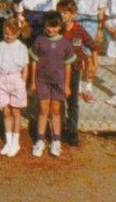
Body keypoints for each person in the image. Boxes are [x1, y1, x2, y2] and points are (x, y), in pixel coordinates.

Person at [29, 11, 76, 158]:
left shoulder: (65, 43)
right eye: (48, 26)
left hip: (58, 83)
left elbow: (68, 66)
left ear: (59, 26)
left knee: (55, 111)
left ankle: (56, 141)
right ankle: (40, 140)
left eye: (54, 27)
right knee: (43, 110)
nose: (51, 29)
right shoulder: (39, 41)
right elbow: (34, 62)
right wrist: (32, 82)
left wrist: (67, 85)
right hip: (42, 82)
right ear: (44, 26)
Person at [63, 0, 105, 103]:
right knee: (76, 54)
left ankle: (88, 87)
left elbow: (101, 9)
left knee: (88, 56)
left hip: (91, 21)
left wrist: (100, 29)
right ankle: (77, 88)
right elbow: (64, 6)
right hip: (76, 20)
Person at [57, 0, 97, 146]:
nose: (62, 15)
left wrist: (93, 63)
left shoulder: (79, 30)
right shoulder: (56, 29)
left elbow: (93, 46)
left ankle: (72, 132)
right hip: (58, 71)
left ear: (73, 14)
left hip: (74, 71)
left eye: (66, 12)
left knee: (73, 102)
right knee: (59, 101)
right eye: (60, 12)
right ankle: (60, 128)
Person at [0, 17, 29, 157]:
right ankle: (8, 142)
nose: (8, 36)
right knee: (6, 112)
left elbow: (25, 67)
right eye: (6, 33)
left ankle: (16, 142)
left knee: (16, 112)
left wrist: (23, 82)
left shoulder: (21, 47)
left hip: (16, 80)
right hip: (1, 79)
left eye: (11, 34)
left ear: (18, 33)